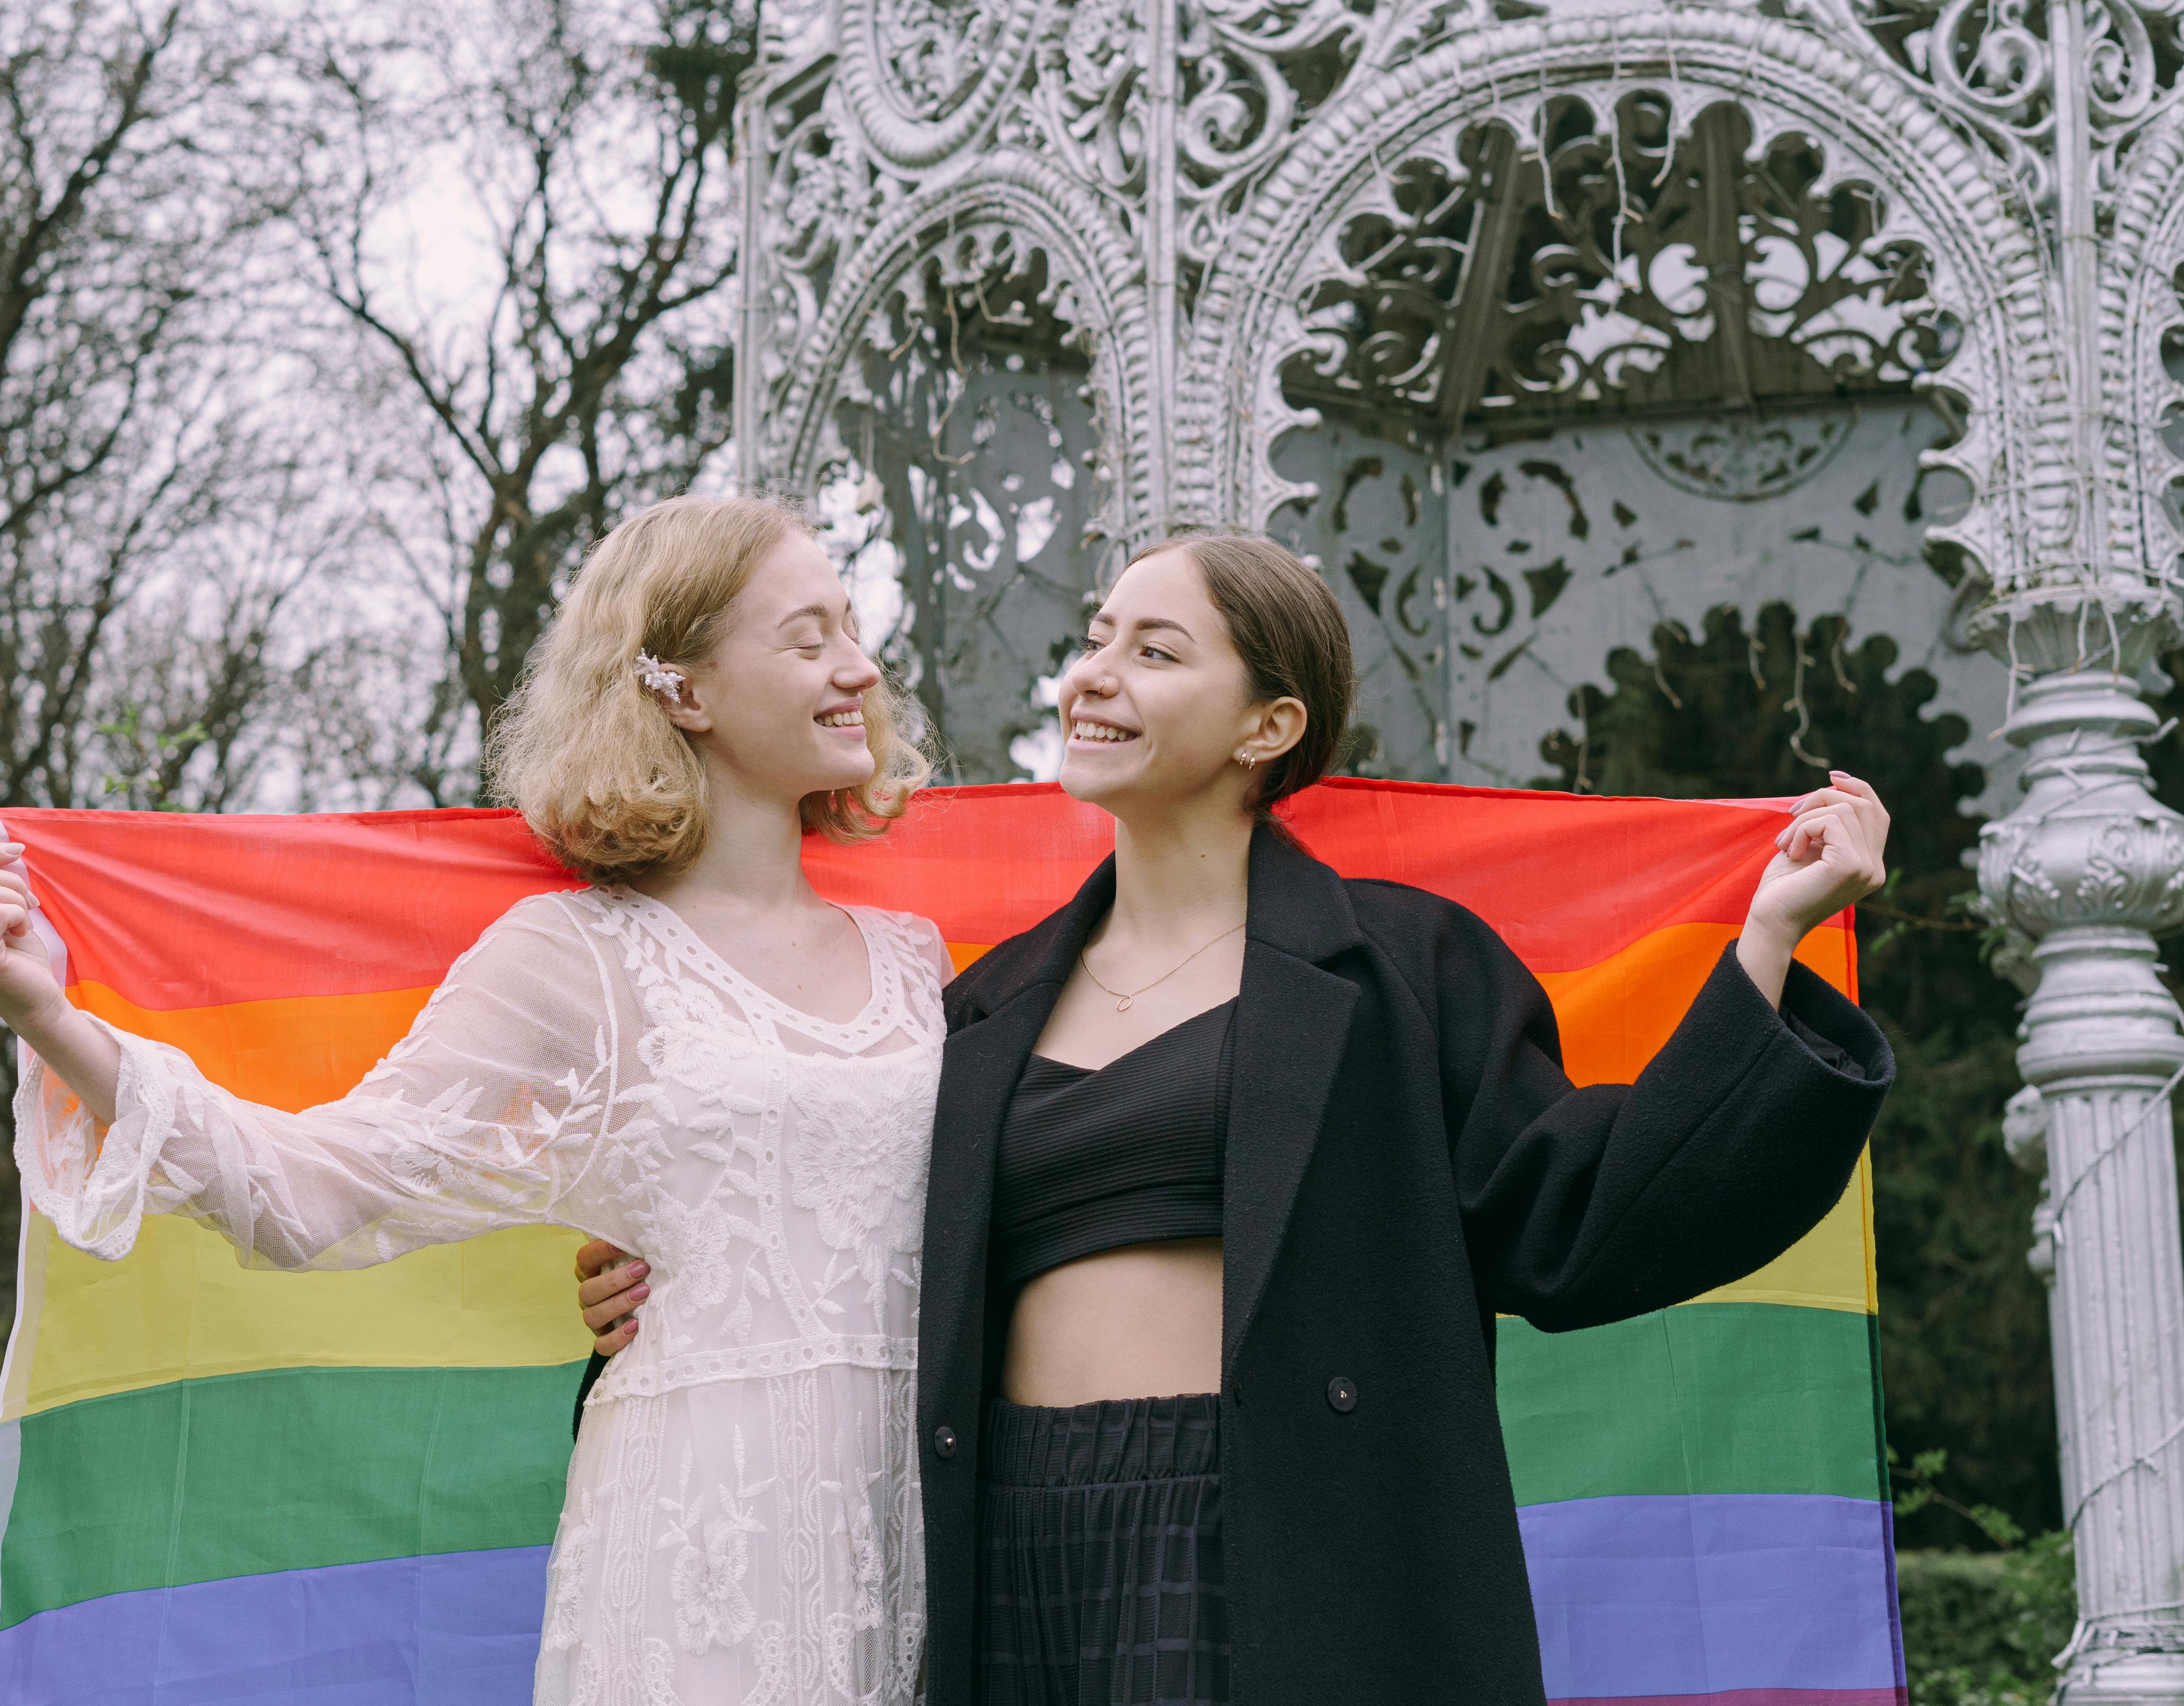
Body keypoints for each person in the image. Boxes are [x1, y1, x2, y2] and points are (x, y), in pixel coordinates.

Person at [577, 530, 1894, 1706]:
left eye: (1157, 652)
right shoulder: (974, 1010)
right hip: (1006, 1536)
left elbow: (1585, 1220)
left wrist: (1769, 944)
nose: (1096, 676)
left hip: (1278, 1529)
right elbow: (849, 1229)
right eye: (1096, 641)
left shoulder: (1402, 972)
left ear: (1268, 727)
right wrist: (666, 1271)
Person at [0, 494, 951, 1706]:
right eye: (808, 634)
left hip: (932, 1521)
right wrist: (50, 1013)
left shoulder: (920, 958)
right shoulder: (572, 955)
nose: (861, 664)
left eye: (852, 625)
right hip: (703, 1539)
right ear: (683, 688)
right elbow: (313, 1193)